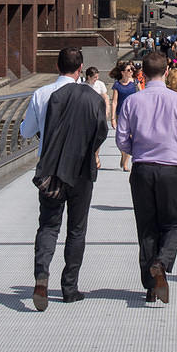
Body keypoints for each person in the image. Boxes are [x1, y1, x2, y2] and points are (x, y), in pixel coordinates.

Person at [22, 47, 108, 309]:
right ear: (80, 68)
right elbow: (101, 130)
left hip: (50, 169)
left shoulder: (42, 94)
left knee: (48, 225)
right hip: (81, 170)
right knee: (76, 229)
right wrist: (92, 150)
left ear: (57, 66)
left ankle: (41, 277)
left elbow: (26, 131)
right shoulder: (92, 97)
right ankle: (69, 288)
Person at [115, 50, 177, 304]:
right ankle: (161, 262)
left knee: (147, 228)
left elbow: (121, 138)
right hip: (171, 168)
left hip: (142, 169)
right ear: (165, 72)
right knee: (174, 225)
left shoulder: (132, 102)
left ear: (142, 74)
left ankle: (150, 287)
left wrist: (136, 151)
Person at [110, 61, 141, 171]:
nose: (131, 71)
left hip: (132, 114)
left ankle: (126, 163)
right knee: (122, 139)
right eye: (128, 70)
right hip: (120, 114)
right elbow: (114, 102)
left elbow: (142, 97)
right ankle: (123, 155)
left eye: (132, 70)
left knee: (131, 138)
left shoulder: (135, 82)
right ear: (123, 73)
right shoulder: (117, 85)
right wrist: (112, 118)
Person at [84, 67, 110, 169]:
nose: (96, 79)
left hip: (97, 113)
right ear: (88, 77)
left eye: (97, 77)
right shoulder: (82, 86)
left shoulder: (100, 85)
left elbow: (105, 97)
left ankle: (95, 155)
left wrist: (107, 108)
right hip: (86, 115)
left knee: (97, 135)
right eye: (94, 77)